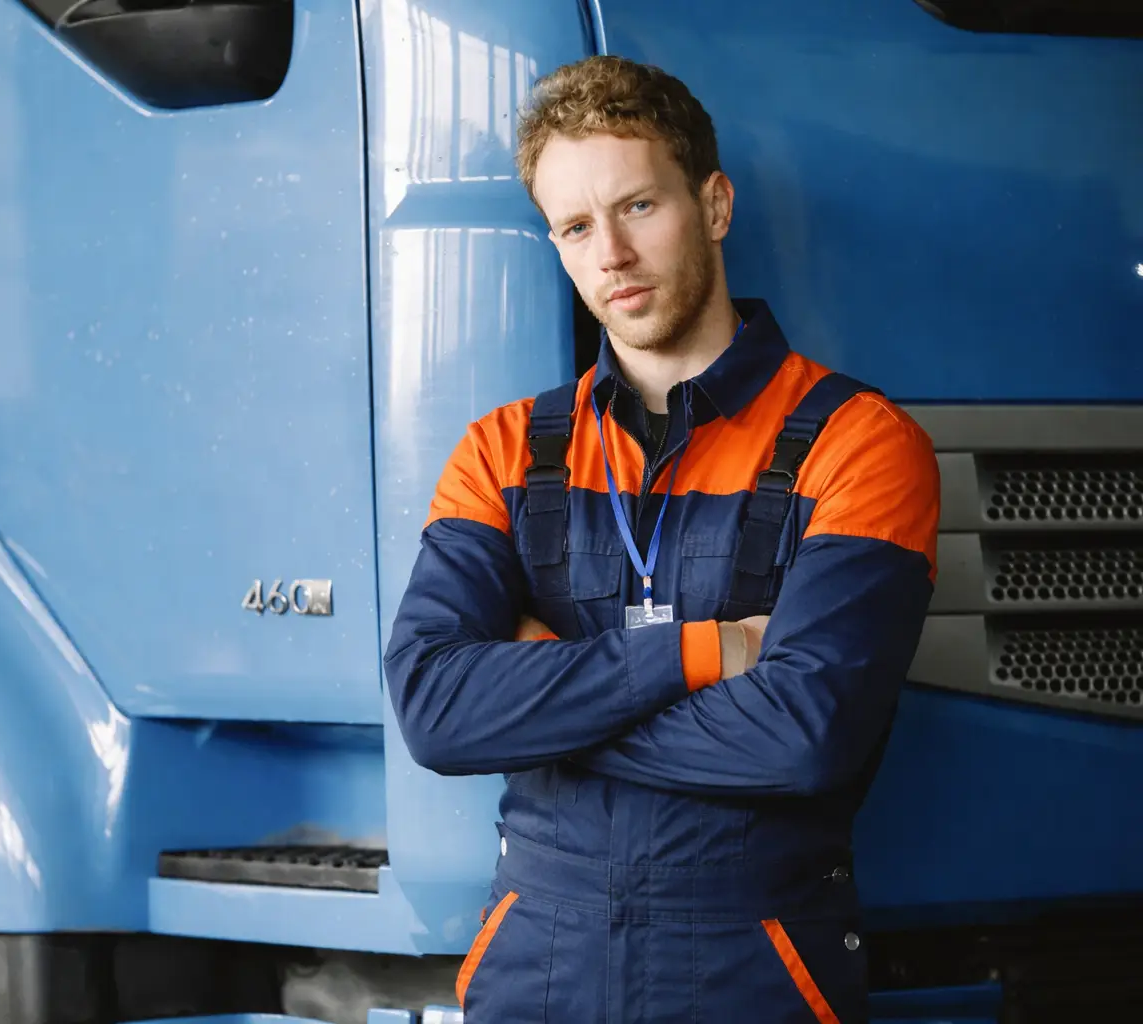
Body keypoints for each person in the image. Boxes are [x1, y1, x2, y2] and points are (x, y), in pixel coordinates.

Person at [383, 55, 940, 1024]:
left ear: (714, 205)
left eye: (638, 206)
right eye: (575, 226)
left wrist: (545, 703)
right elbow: (436, 709)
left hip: (756, 973)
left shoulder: (859, 442)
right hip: (535, 975)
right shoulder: (503, 450)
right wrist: (711, 651)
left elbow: (804, 737)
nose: (611, 254)